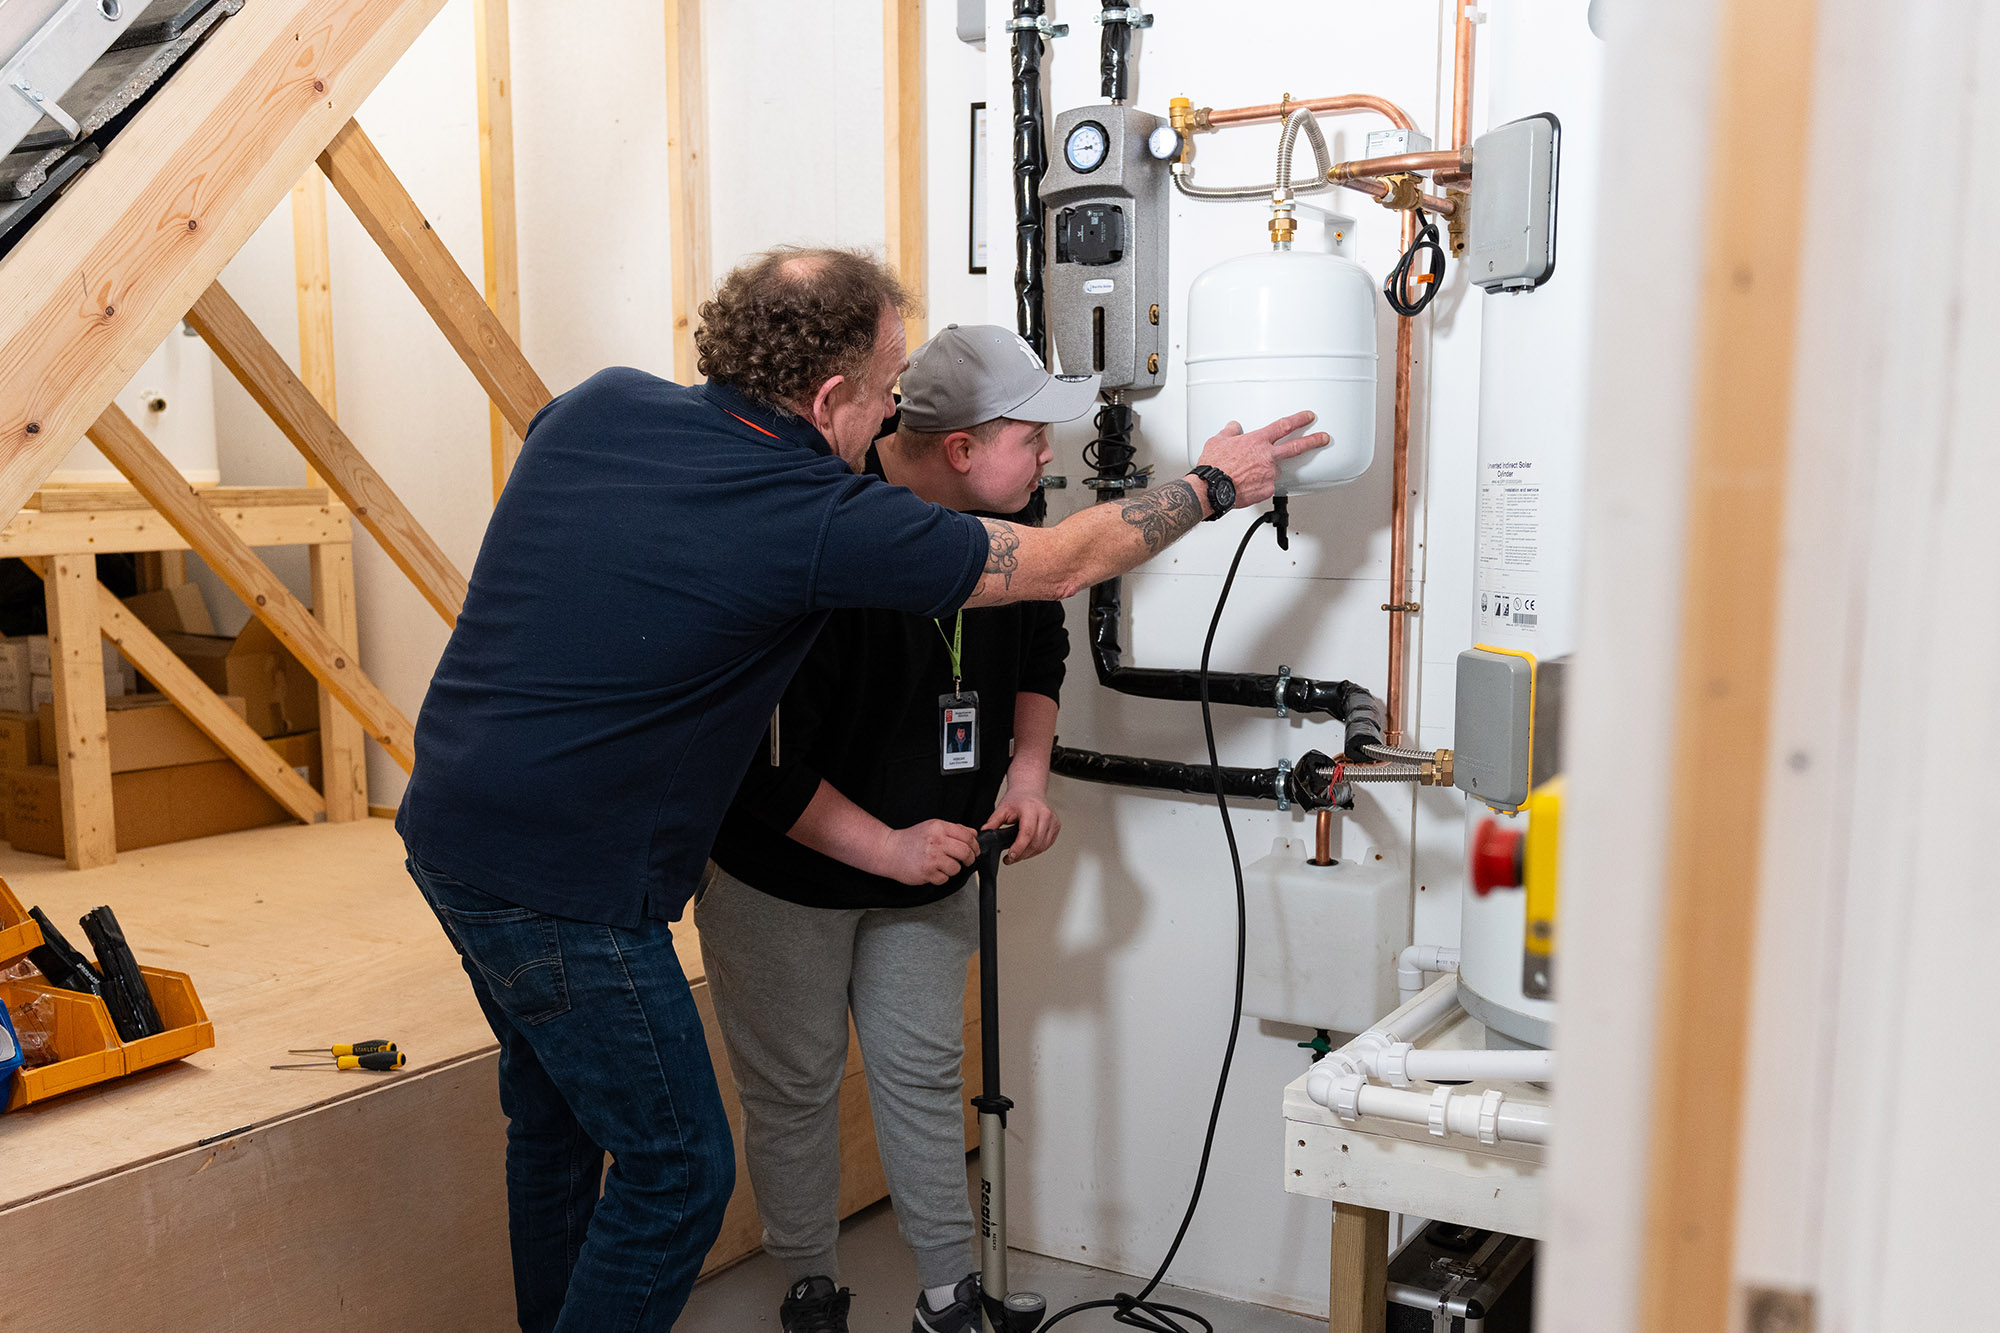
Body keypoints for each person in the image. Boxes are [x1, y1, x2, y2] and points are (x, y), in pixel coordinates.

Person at [395, 246, 1326, 1331]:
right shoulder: (814, 517)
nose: (892, 411)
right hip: (569, 879)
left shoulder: (598, 404)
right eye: (886, 385)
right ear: (829, 395)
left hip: (448, 822)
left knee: (554, 1121)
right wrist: (1210, 484)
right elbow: (1062, 564)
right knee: (678, 1170)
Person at [698, 323, 1083, 1333]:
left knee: (921, 1073)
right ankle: (810, 1293)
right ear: (960, 449)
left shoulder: (1013, 511)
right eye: (1031, 437)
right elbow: (764, 763)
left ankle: (950, 1295)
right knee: (795, 1090)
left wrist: (1027, 770)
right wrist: (889, 846)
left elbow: (1040, 639)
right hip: (782, 872)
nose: (1049, 455)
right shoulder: (821, 525)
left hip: (930, 864)